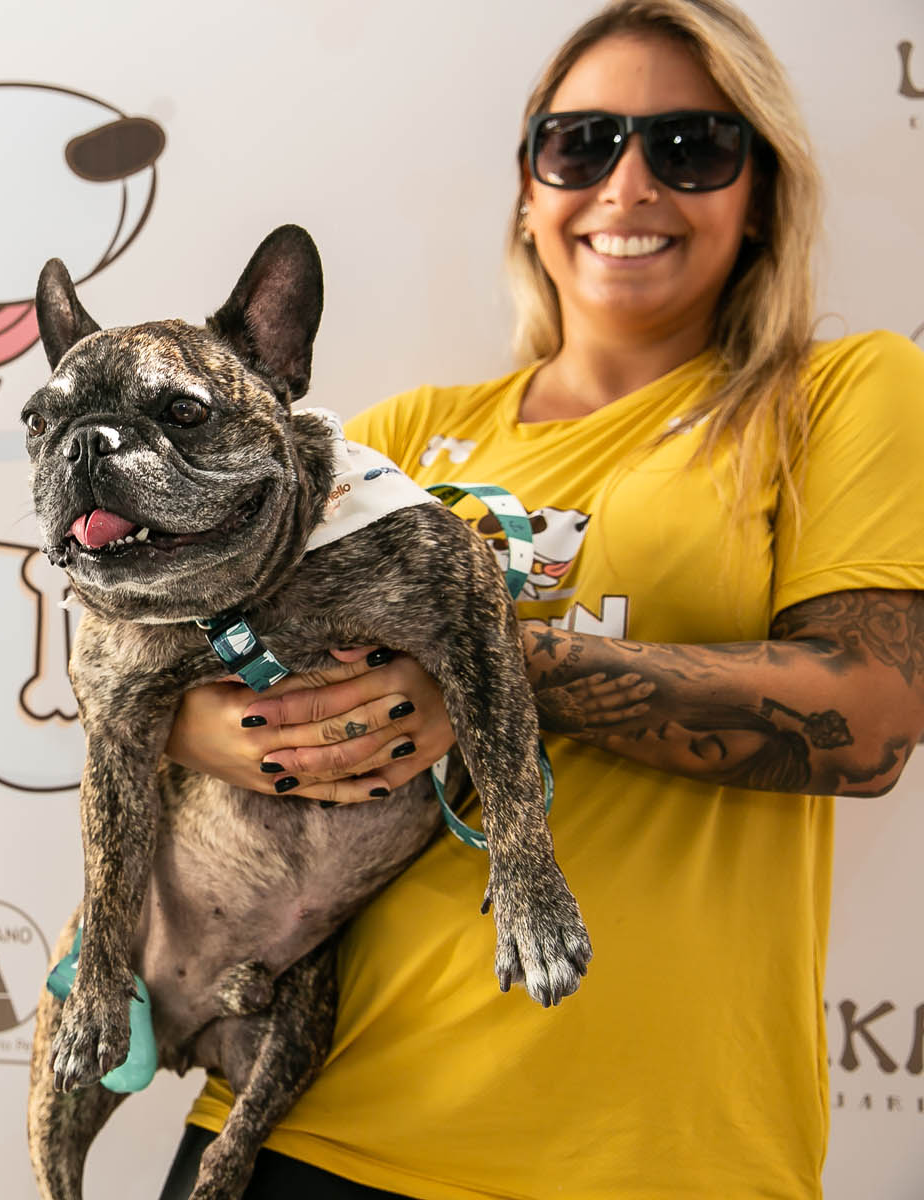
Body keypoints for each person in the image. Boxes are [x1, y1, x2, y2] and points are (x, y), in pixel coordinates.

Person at [156, 1, 924, 1197]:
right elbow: (166, 650)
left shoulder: (840, 392)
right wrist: (199, 725)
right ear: (529, 189)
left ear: (762, 193)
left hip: (657, 1159)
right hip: (300, 1121)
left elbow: (868, 716)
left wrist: (490, 670)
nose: (629, 184)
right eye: (582, 144)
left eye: (692, 146)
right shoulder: (402, 436)